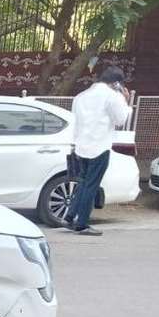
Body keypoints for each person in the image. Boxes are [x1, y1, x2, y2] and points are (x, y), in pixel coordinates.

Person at [64, 66, 133, 236]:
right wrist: (126, 101)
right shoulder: (112, 96)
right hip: (99, 147)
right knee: (91, 186)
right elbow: (120, 119)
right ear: (117, 83)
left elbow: (76, 121)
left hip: (81, 146)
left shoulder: (82, 96)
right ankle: (82, 224)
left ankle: (70, 216)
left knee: (82, 182)